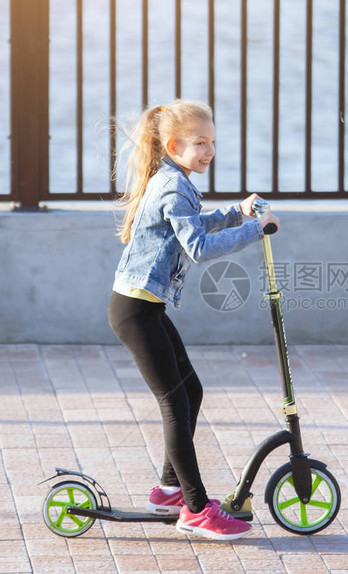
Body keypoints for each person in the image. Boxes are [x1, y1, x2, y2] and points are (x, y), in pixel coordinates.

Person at [108, 99, 279, 540]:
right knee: (175, 402)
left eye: (213, 142)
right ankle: (197, 509)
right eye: (200, 143)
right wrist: (256, 229)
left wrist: (234, 212)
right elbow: (198, 247)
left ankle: (168, 490)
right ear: (172, 145)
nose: (209, 151)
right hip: (136, 311)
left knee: (191, 390)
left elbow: (189, 225)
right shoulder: (172, 186)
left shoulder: (174, 179)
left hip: (145, 306)